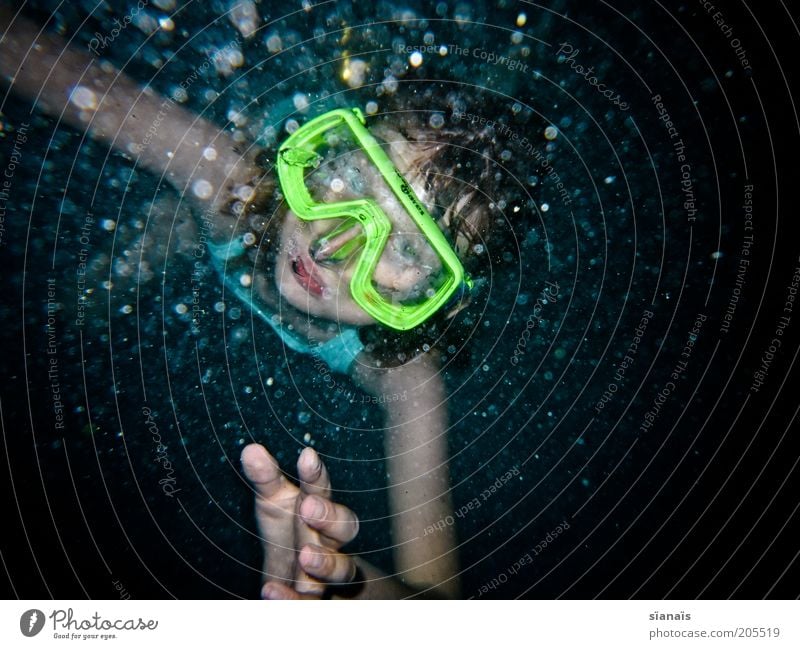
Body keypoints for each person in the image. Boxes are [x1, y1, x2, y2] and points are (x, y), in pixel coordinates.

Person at [1, 6, 518, 598]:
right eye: (353, 172)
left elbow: (437, 613)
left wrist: (351, 590)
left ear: (433, 300)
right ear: (324, 151)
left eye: (404, 247)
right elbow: (44, 63)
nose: (331, 246)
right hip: (248, 205)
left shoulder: (404, 376)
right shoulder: (230, 174)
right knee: (118, 273)